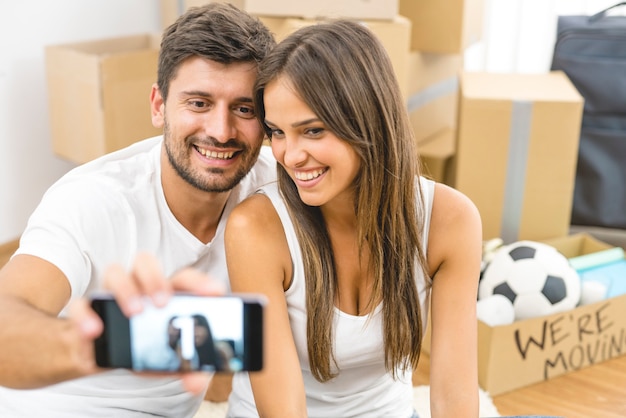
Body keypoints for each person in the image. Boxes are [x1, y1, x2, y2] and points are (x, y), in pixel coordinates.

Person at [0, 3, 275, 417]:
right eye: (198, 103)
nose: (221, 131)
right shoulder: (94, 199)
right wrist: (120, 338)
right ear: (158, 105)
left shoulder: (273, 184)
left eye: (243, 109)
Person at [223, 20, 483, 417]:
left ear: (367, 120)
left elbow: (453, 397)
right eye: (277, 132)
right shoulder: (256, 228)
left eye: (312, 131)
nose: (290, 156)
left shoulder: (451, 220)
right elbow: (283, 410)